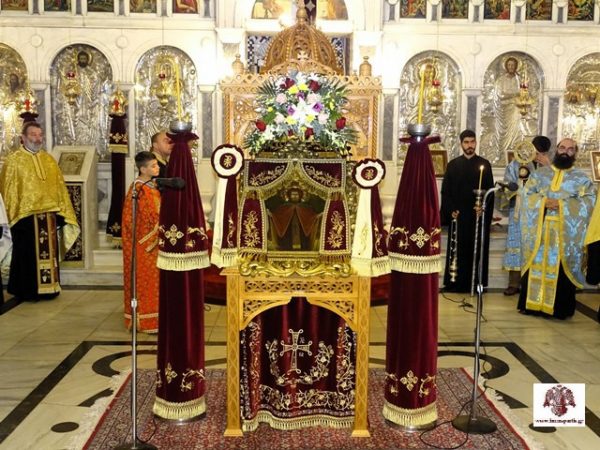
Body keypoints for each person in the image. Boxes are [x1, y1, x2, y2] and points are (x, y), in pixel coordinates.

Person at [0, 122, 79, 300]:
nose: (37, 138)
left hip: (49, 217)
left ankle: (49, 289)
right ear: (23, 137)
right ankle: (26, 291)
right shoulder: (13, 160)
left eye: (40, 135)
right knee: (26, 256)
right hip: (24, 220)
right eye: (33, 134)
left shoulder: (49, 160)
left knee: (48, 254)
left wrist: (61, 213)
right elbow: (7, 190)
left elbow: (59, 188)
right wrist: (11, 217)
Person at [518, 138, 596, 319]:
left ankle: (559, 309)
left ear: (575, 153)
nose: (565, 152)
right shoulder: (540, 174)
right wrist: (543, 202)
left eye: (570, 149)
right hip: (540, 229)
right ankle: (532, 306)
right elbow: (527, 195)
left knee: (562, 269)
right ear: (557, 150)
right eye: (562, 148)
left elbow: (589, 202)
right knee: (536, 264)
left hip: (565, 234)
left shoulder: (582, 179)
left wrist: (562, 205)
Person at [440, 129, 494, 293]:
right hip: (459, 216)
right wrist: (451, 210)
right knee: (458, 250)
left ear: (476, 143)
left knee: (477, 250)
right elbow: (446, 192)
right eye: (466, 142)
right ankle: (455, 283)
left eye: (472, 142)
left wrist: (483, 208)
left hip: (477, 216)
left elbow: (490, 192)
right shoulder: (453, 165)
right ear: (461, 144)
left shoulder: (484, 164)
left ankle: (477, 283)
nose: (470, 145)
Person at [502, 135, 551, 295]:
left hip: (539, 213)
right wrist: (517, 189)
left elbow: (555, 188)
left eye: (542, 153)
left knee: (537, 246)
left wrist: (548, 167)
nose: (538, 156)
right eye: (536, 152)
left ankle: (533, 282)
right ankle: (514, 283)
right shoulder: (516, 164)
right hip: (519, 210)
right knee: (516, 244)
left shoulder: (549, 167)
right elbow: (507, 184)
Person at [122, 151, 161, 333]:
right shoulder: (139, 188)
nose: (157, 168)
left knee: (154, 282)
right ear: (143, 169)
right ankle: (145, 321)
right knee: (145, 283)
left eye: (157, 164)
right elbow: (145, 217)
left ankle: (155, 319)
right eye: (153, 166)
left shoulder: (151, 186)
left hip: (153, 241)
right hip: (144, 244)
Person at [493, 57, 533, 155]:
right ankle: (501, 153)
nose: (511, 67)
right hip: (503, 110)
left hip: (515, 108)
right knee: (503, 133)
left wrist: (522, 95)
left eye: (513, 65)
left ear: (516, 66)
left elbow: (524, 94)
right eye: (509, 65)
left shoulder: (519, 79)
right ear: (506, 66)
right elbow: (501, 95)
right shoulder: (501, 80)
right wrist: (515, 94)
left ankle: (513, 151)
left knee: (516, 129)